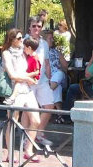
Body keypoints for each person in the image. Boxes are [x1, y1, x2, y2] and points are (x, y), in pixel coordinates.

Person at [1, 28, 40, 162]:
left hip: (27, 89)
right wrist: (27, 79)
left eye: (22, 37)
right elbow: (12, 75)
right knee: (12, 121)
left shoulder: (24, 51)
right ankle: (10, 153)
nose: (21, 40)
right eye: (18, 38)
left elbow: (33, 64)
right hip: (14, 90)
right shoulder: (7, 53)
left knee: (36, 120)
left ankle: (28, 149)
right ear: (11, 40)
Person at [26, 16, 54, 146]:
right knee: (28, 111)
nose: (37, 28)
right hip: (29, 81)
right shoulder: (25, 41)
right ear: (29, 28)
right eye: (34, 26)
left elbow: (47, 62)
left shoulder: (44, 43)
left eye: (39, 26)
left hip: (42, 80)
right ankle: (26, 137)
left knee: (49, 106)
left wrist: (49, 79)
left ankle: (38, 133)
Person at [4, 37, 41, 105]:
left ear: (29, 48)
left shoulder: (34, 58)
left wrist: (25, 75)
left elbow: (37, 72)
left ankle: (13, 96)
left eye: (24, 48)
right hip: (29, 76)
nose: (23, 49)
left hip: (33, 78)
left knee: (19, 79)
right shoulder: (29, 56)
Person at [42, 30, 69, 123]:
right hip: (45, 78)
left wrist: (60, 65)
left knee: (60, 74)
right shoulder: (39, 52)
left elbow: (65, 65)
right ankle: (60, 115)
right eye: (50, 38)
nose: (52, 40)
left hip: (55, 78)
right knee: (57, 88)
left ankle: (49, 89)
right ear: (44, 40)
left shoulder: (56, 52)